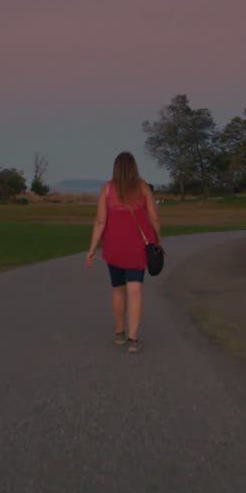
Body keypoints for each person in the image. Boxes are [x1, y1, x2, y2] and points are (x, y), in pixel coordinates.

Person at [86, 152, 162, 354]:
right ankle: (133, 339)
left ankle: (119, 333)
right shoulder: (143, 187)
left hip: (114, 248)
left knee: (118, 290)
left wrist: (92, 249)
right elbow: (154, 218)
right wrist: (158, 240)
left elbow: (100, 222)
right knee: (135, 291)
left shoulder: (107, 189)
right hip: (137, 248)